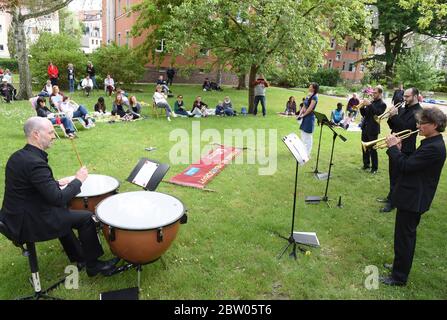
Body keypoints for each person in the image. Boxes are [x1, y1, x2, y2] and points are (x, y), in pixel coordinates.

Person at [0, 117, 118, 277]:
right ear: (36, 134)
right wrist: (78, 180)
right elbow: (58, 198)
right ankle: (93, 265)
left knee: (63, 212)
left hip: (13, 218)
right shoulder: (35, 163)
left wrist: (57, 182)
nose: (54, 136)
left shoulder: (19, 156)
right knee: (86, 218)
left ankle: (79, 257)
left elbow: (31, 186)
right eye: (50, 132)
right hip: (27, 224)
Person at [380, 107, 446, 286]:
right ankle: (398, 266)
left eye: (422, 123)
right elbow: (410, 165)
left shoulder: (433, 147)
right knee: (403, 236)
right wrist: (398, 151)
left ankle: (399, 276)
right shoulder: (431, 143)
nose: (418, 126)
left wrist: (393, 148)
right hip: (412, 196)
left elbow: (406, 167)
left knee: (404, 238)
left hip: (413, 199)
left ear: (434, 125)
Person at [377, 88, 423, 213]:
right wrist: (391, 116)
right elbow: (394, 126)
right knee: (392, 173)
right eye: (404, 96)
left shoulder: (419, 111)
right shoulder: (403, 108)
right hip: (395, 145)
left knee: (398, 177)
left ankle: (393, 202)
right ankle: (390, 196)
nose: (404, 98)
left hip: (406, 148)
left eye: (407, 96)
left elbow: (406, 128)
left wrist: (396, 116)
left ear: (415, 96)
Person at [359, 86, 387, 174]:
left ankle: (374, 168)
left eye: (375, 93)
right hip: (365, 127)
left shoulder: (382, 104)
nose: (373, 94)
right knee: (364, 148)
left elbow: (377, 114)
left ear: (380, 94)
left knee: (373, 149)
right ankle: (366, 164)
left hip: (373, 129)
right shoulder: (371, 102)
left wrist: (369, 105)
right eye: (373, 92)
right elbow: (364, 114)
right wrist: (361, 107)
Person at [297, 83, 319, 157]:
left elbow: (310, 108)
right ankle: (302, 151)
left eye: (310, 86)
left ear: (314, 88)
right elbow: (304, 106)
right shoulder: (308, 95)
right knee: (303, 135)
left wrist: (303, 115)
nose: (309, 87)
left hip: (309, 118)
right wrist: (300, 115)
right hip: (304, 117)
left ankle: (307, 154)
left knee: (308, 137)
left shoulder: (315, 97)